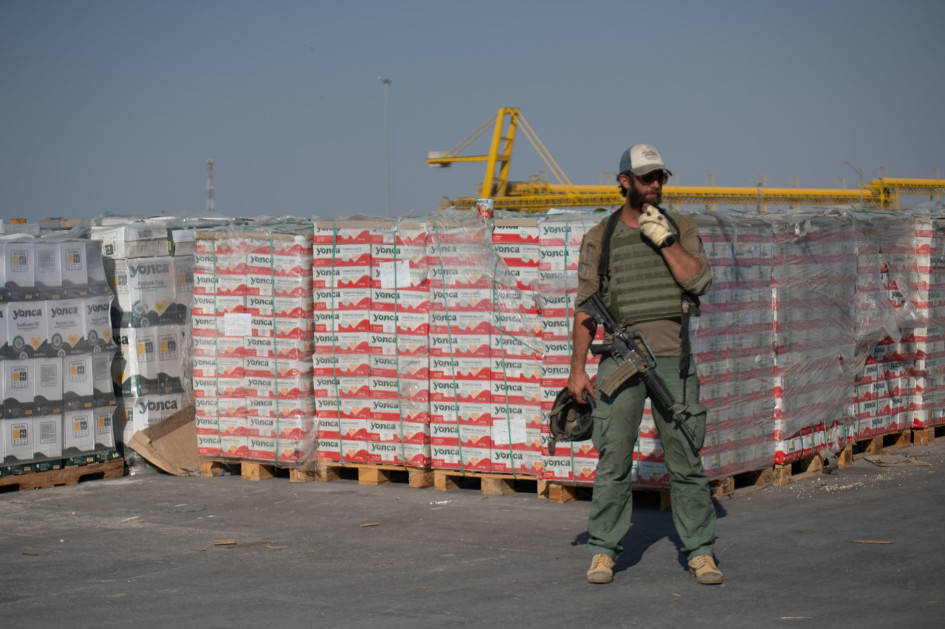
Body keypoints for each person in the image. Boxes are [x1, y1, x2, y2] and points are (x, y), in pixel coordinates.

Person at [567, 144, 721, 585]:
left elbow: (699, 280)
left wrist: (665, 241)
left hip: (673, 360)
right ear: (624, 182)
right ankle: (603, 551)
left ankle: (700, 552)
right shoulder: (601, 236)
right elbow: (585, 308)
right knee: (613, 458)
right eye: (646, 177)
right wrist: (577, 368)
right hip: (620, 359)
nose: (656, 184)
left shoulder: (680, 227)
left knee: (686, 459)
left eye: (660, 177)